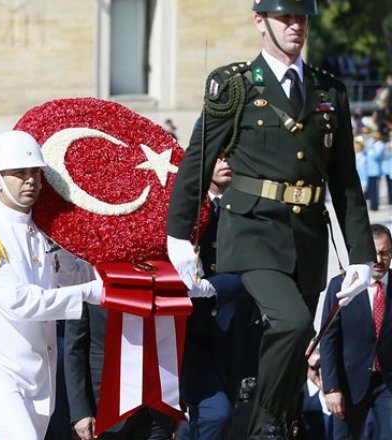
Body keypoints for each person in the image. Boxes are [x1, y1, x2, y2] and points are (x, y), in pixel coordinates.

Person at [165, 0, 375, 436]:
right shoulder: (236, 85)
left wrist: (361, 255)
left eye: (302, 17)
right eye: (285, 17)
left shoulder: (327, 91)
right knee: (293, 322)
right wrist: (178, 237)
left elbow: (345, 182)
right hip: (252, 232)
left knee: (295, 345)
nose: (296, 25)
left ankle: (282, 422)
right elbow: (196, 163)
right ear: (261, 22)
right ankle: (263, 426)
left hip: (308, 238)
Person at [0, 130, 105, 440]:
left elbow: (73, 276)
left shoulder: (45, 232)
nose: (30, 181)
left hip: (39, 374)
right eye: (19, 173)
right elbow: (21, 303)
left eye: (35, 172)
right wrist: (90, 291)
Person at [177, 155, 262, 440]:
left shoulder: (250, 206)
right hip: (193, 332)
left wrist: (213, 287)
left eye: (231, 155)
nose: (227, 162)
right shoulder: (185, 206)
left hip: (235, 331)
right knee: (215, 413)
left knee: (226, 419)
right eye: (219, 156)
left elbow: (257, 265)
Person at [64, 262, 175, 440]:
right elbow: (74, 350)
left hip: (156, 409)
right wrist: (80, 411)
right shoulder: (89, 278)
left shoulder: (162, 273)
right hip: (107, 409)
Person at [320, 224, 391, 439]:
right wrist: (331, 388)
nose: (378, 259)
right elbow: (328, 340)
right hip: (349, 384)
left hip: (387, 384)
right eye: (373, 252)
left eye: (384, 253)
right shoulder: (342, 285)